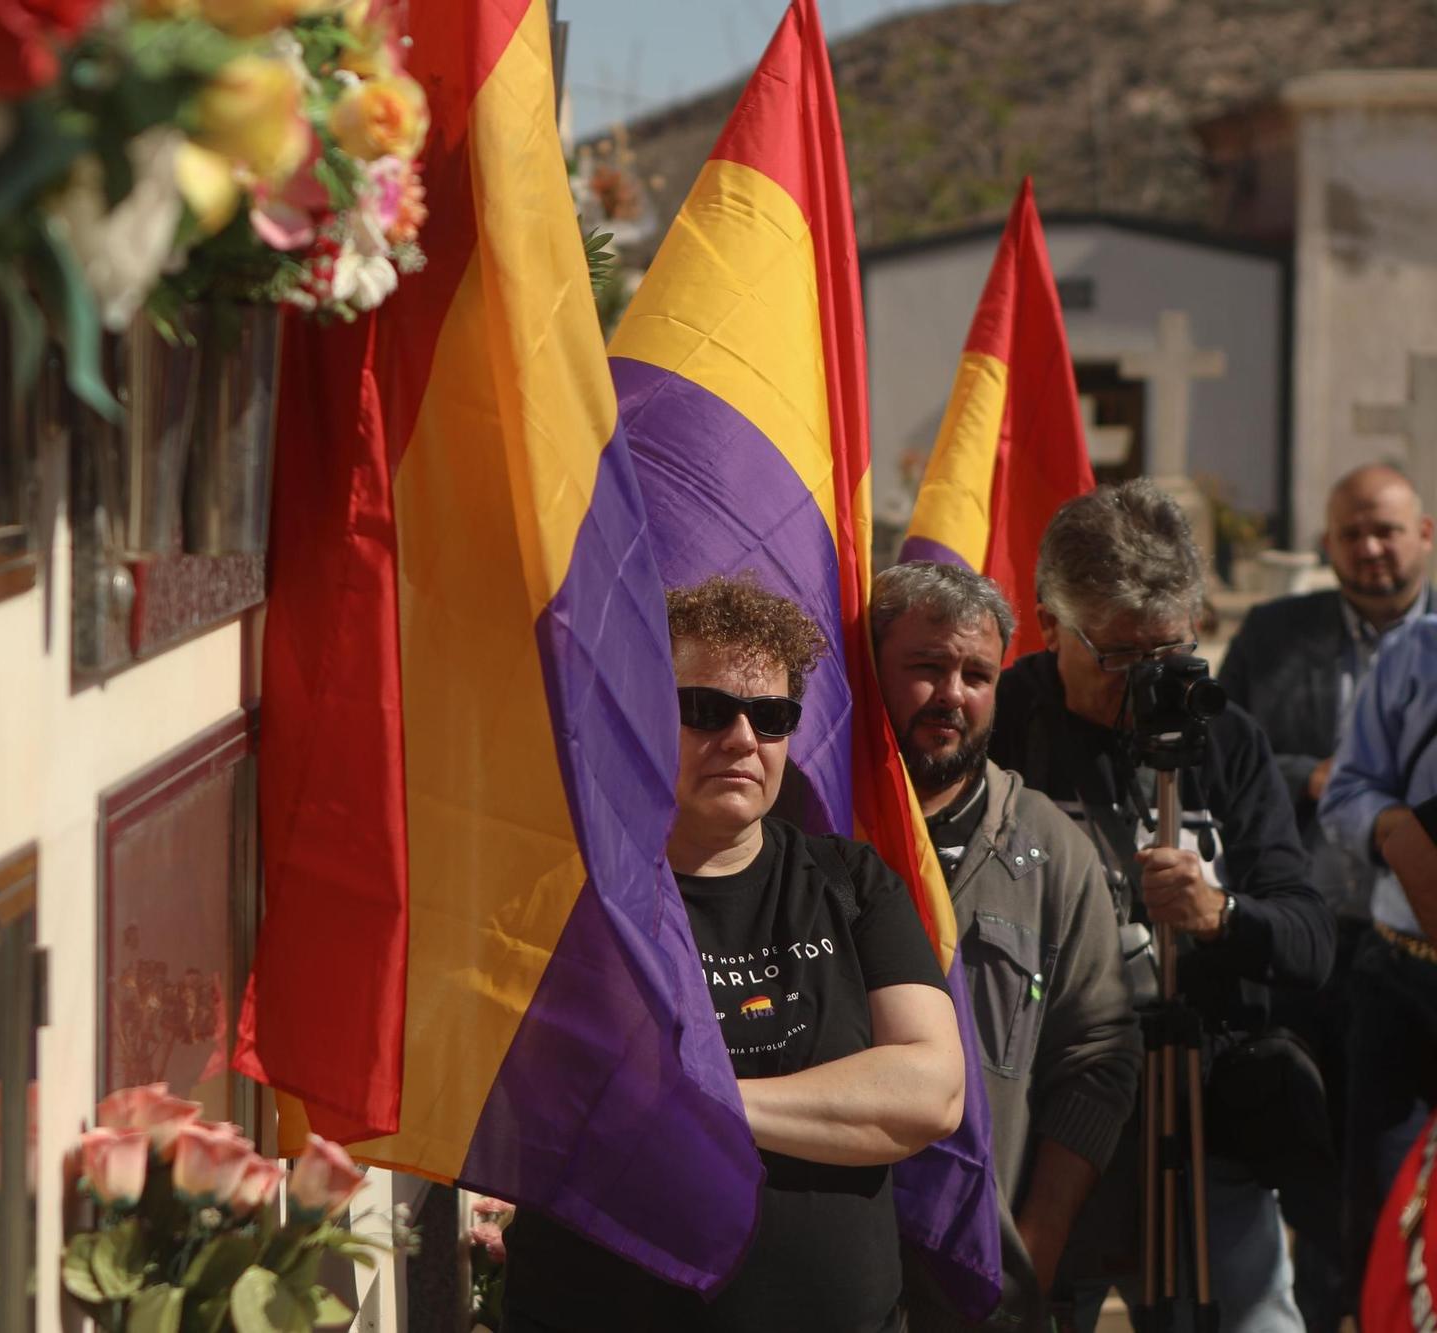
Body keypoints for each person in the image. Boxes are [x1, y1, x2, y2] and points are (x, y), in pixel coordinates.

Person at [501, 572, 965, 1333]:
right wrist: (821, 1104)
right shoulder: (576, 899)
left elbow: (932, 1090)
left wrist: (704, 1099)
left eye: (772, 715)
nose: (743, 738)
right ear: (646, 712)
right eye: (706, 710)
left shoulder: (852, 883)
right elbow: (571, 1101)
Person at [985, 479, 1334, 1333]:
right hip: (1048, 1120)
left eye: (1171, 654)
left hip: (1203, 1106)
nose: (1148, 686)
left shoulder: (1228, 738)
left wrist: (1220, 913)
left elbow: (1310, 937)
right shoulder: (996, 727)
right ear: (1048, 624)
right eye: (1118, 658)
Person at [872, 562, 1139, 1332]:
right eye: (927, 667)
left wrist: (1036, 1248)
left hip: (981, 1290)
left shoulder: (1053, 850)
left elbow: (1099, 1056)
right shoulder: (809, 830)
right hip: (822, 1281)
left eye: (977, 673)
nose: (953, 693)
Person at [1216, 461, 1433, 1329]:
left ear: (1424, 533)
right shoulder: (1275, 634)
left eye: (1386, 528)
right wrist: (1314, 777)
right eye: (1352, 532)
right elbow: (1225, 759)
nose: (1371, 547)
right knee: (1322, 1169)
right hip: (1311, 945)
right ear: (1327, 543)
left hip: (1404, 953)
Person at [1319, 613, 1437, 1312]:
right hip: (1401, 977)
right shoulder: (1417, 648)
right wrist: (1406, 831)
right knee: (1385, 1219)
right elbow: (1358, 801)